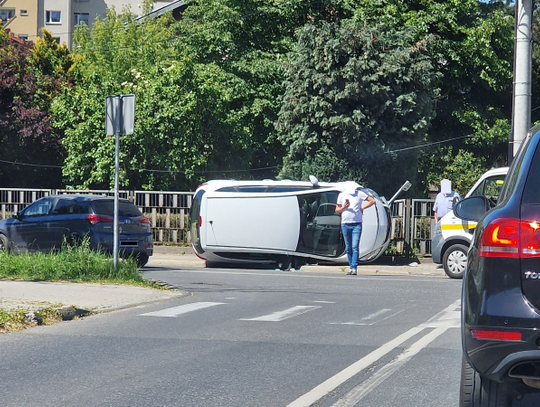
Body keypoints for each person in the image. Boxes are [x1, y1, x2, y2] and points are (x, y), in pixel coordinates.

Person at [335, 184, 376, 275]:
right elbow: (337, 210)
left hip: (357, 224)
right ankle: (351, 267)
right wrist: (344, 207)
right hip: (345, 224)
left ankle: (354, 267)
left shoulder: (359, 194)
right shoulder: (342, 195)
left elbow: (372, 201)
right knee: (348, 247)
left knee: (354, 246)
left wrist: (362, 208)